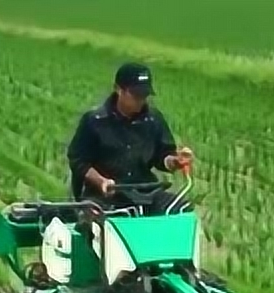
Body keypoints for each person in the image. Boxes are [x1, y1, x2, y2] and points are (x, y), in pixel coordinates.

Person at [66, 62, 196, 215]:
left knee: (182, 211)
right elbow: (78, 160)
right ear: (118, 89)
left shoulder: (153, 120)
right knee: (92, 219)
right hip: (105, 194)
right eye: (135, 95)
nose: (140, 100)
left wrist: (175, 161)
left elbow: (163, 156)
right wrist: (101, 181)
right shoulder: (95, 121)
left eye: (144, 96)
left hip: (145, 192)